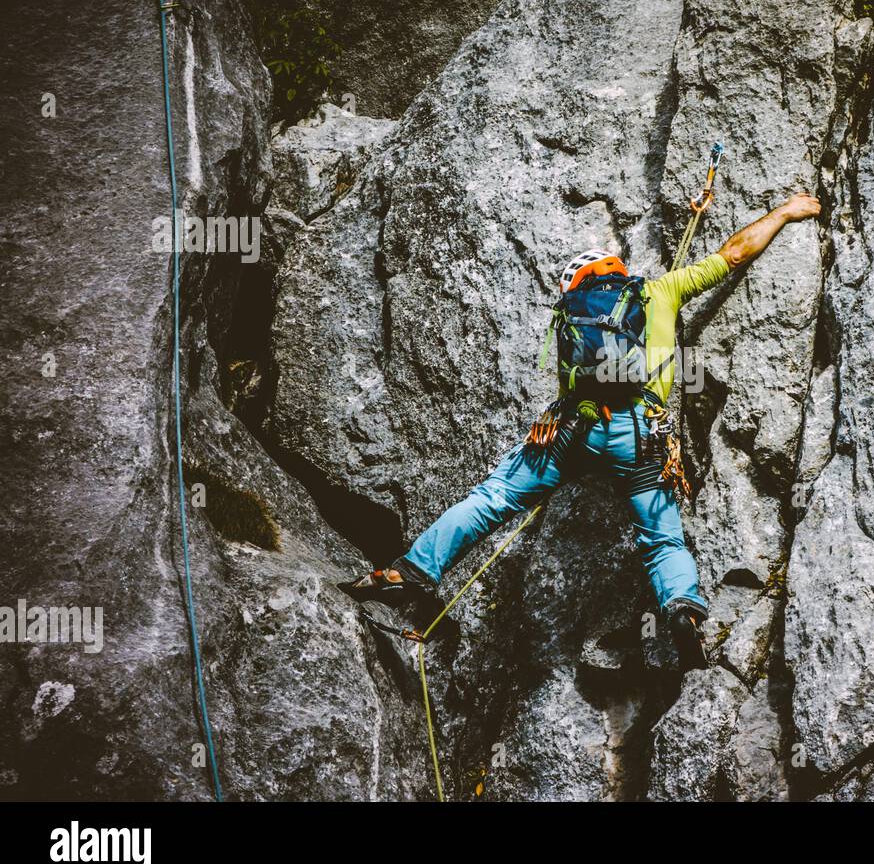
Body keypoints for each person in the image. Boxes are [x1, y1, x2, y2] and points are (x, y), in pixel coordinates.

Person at [340, 193, 822, 668]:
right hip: (642, 436)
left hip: (576, 431)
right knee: (661, 537)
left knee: (494, 498)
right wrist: (784, 211)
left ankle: (410, 571)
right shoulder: (661, 290)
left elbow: (572, 386)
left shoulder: (574, 317)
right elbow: (734, 254)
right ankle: (681, 609)